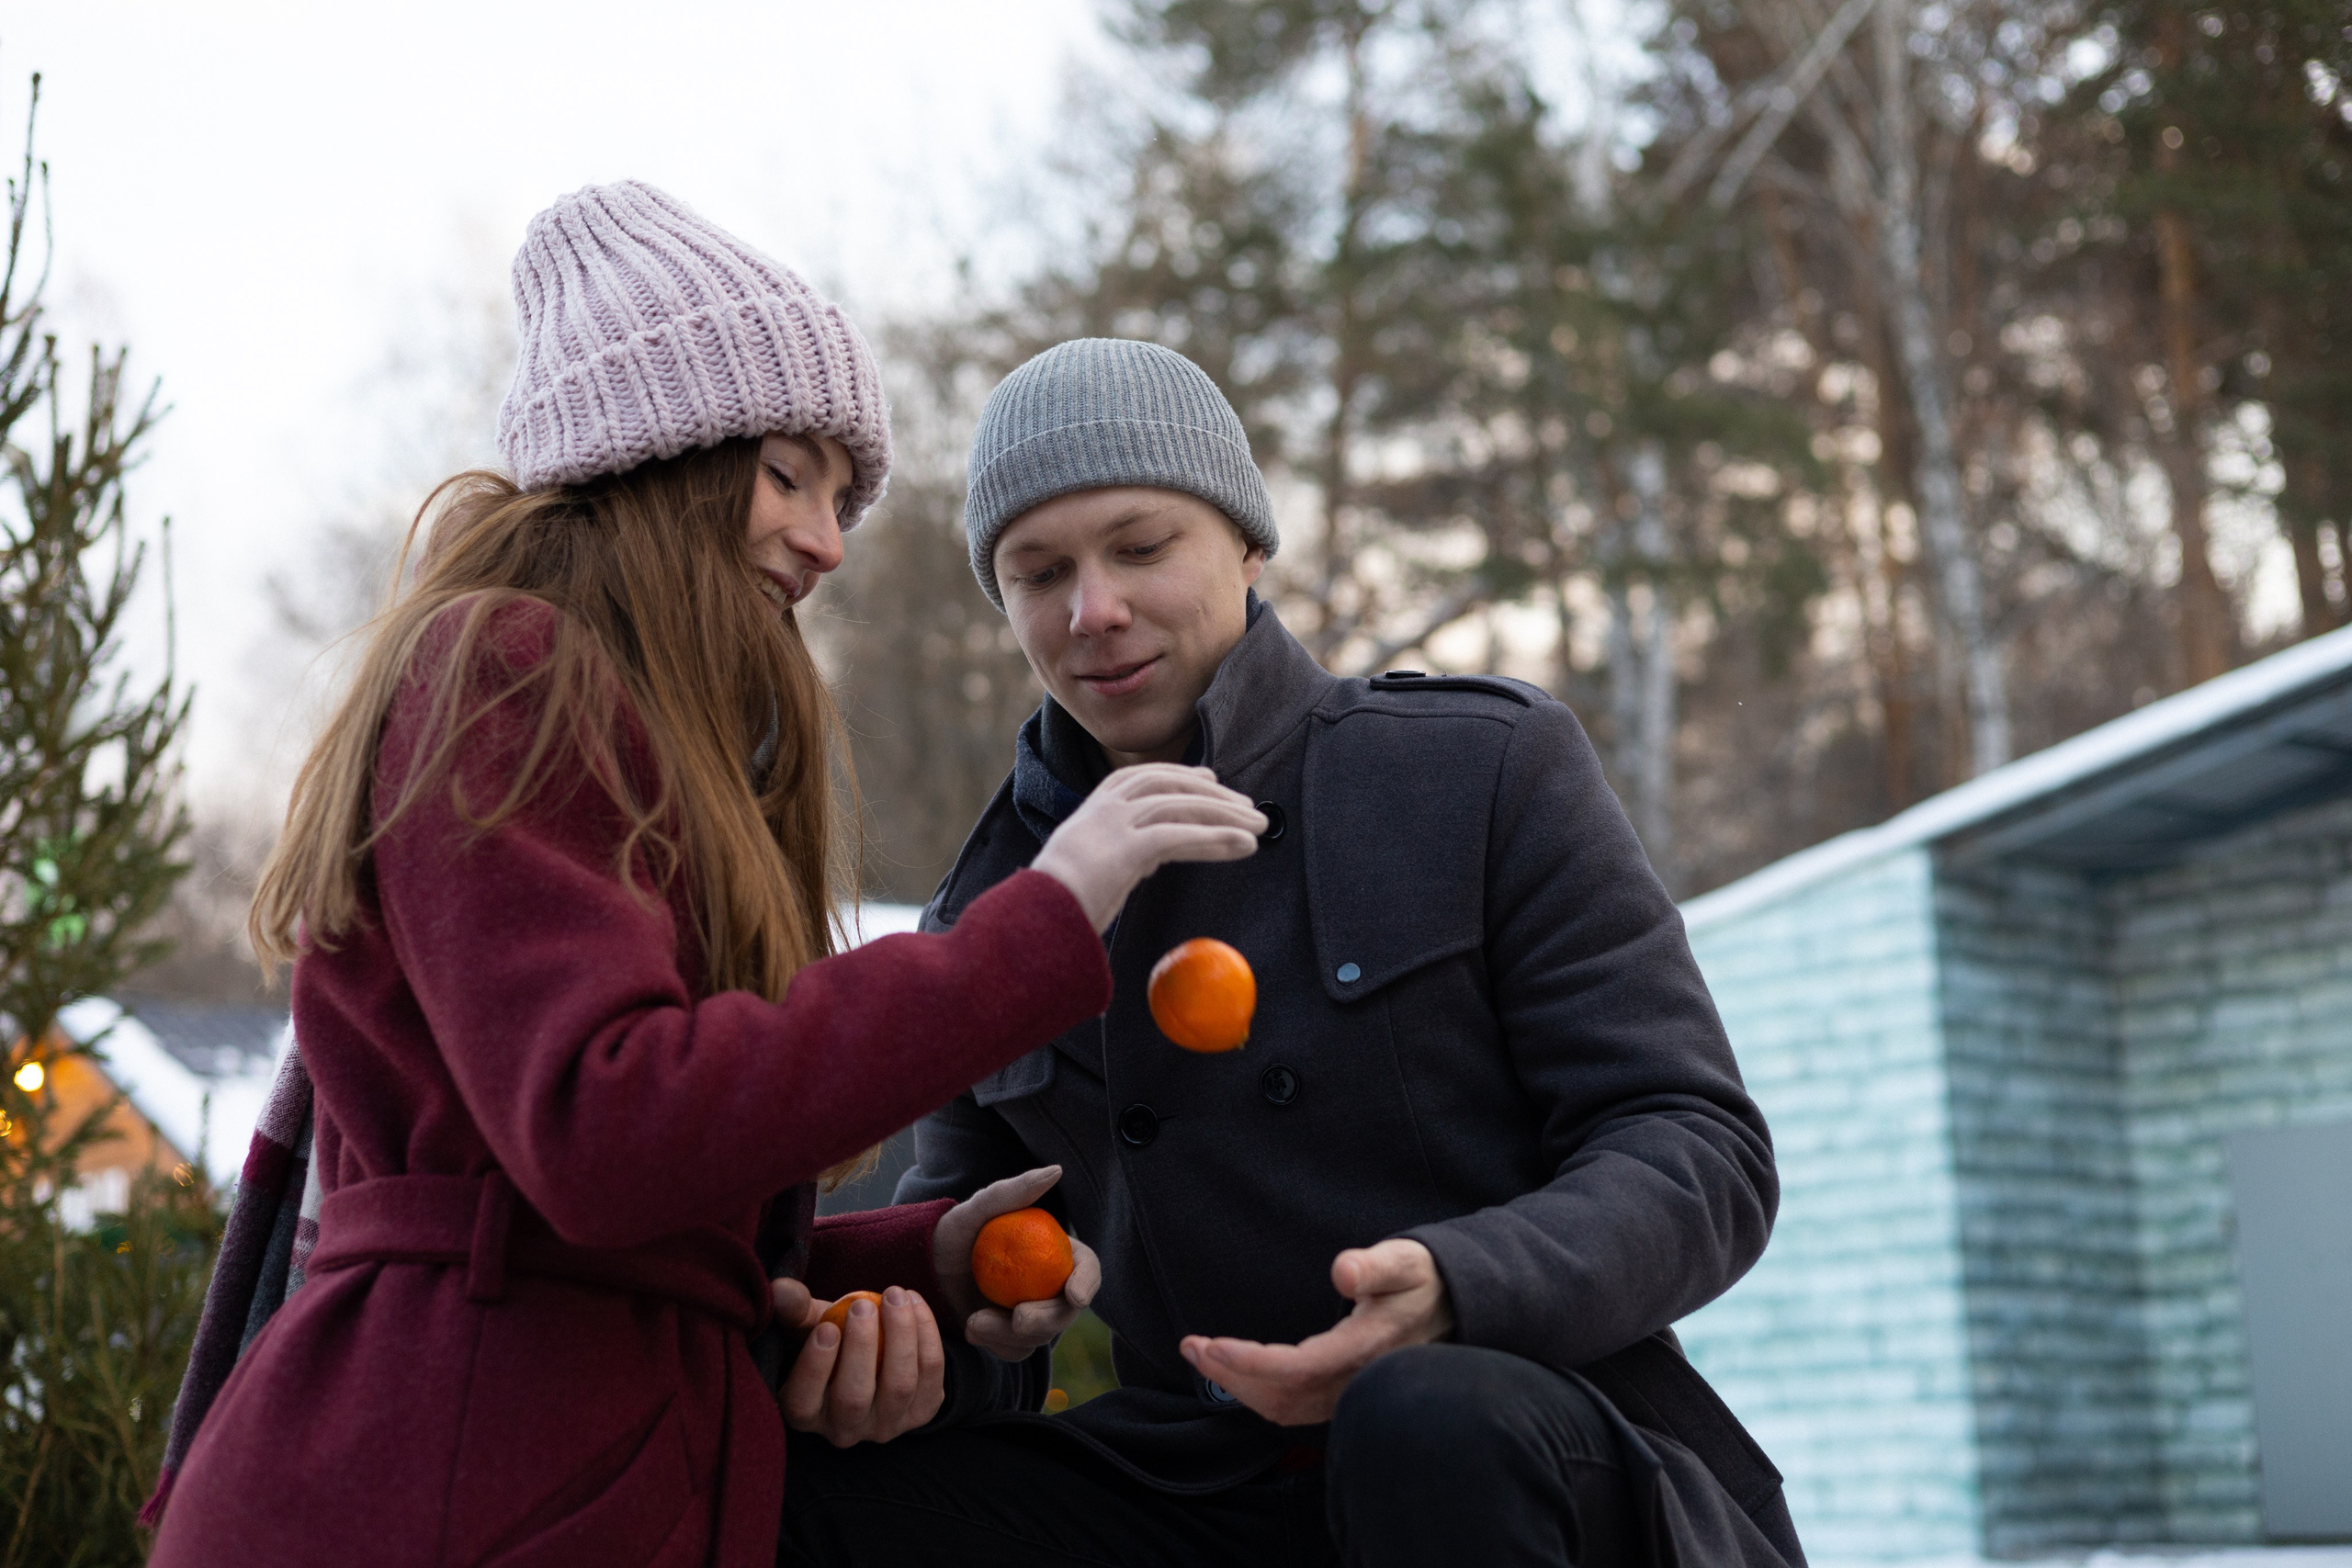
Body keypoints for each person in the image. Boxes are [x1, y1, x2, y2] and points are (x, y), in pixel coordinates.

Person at [145, 190, 1267, 1568]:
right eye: (789, 476)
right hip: (447, 1487)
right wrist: (1044, 919)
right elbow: (606, 1138)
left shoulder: (640, 732)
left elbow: (638, 1225)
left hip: (572, 1467)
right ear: (660, 454)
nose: (829, 540)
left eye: (841, 498)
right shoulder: (510, 666)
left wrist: (925, 1261)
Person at [778, 338, 1805, 1567]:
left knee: (1417, 1417)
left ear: (1249, 544)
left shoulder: (1473, 769)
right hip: (1201, 1479)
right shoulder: (995, 905)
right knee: (803, 1498)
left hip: (1530, 1441)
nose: (1090, 611)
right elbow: (972, 1263)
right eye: (1036, 573)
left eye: (1141, 547)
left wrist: (1458, 1283)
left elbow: (1700, 1152)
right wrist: (943, 1336)